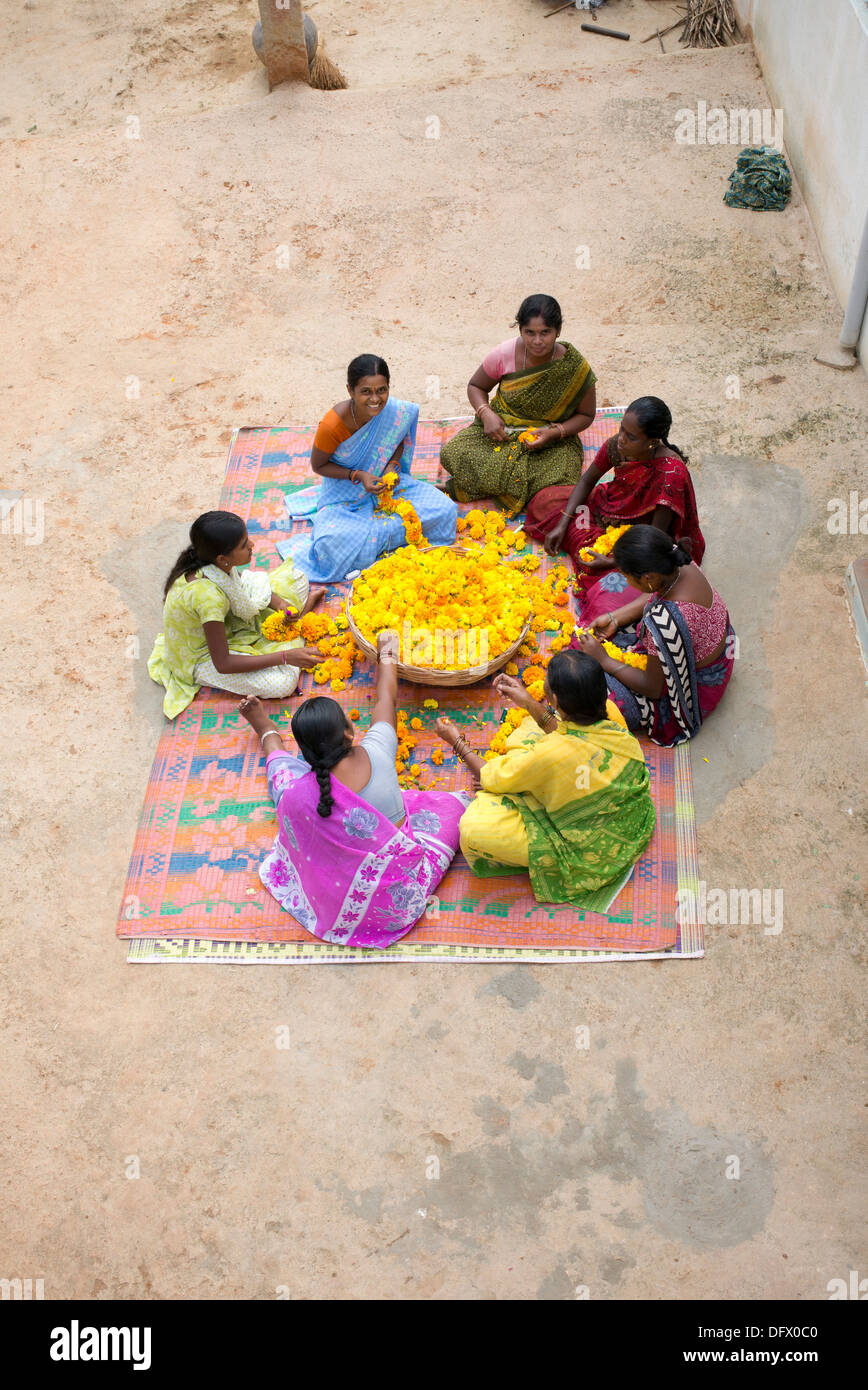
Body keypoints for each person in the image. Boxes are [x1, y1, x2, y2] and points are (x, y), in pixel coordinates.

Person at [239, 632, 469, 948]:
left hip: (332, 904)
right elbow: (386, 698)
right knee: (452, 806)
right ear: (349, 731)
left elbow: (277, 761)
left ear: (305, 756)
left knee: (281, 774)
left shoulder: (297, 792)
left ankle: (264, 726)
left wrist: (264, 727)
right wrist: (387, 650)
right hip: (399, 902)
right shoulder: (377, 751)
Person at [433, 652, 655, 911]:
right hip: (630, 821)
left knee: (473, 829)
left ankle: (526, 786)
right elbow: (570, 734)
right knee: (530, 729)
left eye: (547, 686)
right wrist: (527, 701)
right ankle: (529, 783)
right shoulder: (612, 718)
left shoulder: (550, 754)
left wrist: (455, 740)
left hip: (589, 851)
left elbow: (487, 776)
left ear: (556, 700)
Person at [525, 395, 705, 625]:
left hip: (640, 536)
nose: (621, 439)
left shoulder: (670, 475)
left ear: (652, 442)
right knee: (544, 502)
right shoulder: (616, 446)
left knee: (623, 587)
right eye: (621, 429)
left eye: (631, 437)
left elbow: (652, 541)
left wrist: (612, 562)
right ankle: (582, 539)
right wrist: (563, 522)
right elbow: (587, 481)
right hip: (607, 507)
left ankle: (608, 563)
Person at [284, 354, 457, 582]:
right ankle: (387, 537)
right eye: (366, 391)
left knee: (445, 509)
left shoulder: (395, 411)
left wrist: (391, 468)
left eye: (381, 390)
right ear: (350, 390)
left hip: (388, 485)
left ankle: (371, 542)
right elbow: (318, 465)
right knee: (330, 545)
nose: (375, 399)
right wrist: (358, 475)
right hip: (345, 492)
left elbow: (397, 442)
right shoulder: (333, 424)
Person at [148, 510, 323, 718]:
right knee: (282, 684)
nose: (252, 546)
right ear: (223, 559)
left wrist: (282, 605)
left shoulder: (212, 564)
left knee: (298, 578)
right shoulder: (208, 599)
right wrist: (285, 657)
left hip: (223, 625)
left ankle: (292, 631)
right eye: (244, 545)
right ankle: (297, 632)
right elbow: (223, 664)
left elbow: (243, 582)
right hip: (201, 658)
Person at [574, 524, 735, 745]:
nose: (625, 578)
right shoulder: (677, 559)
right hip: (717, 644)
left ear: (648, 577)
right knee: (611, 598)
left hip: (697, 683)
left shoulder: (663, 623)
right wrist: (616, 617)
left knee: (590, 690)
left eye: (628, 575)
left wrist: (604, 660)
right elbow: (660, 592)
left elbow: (653, 688)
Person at [438, 294, 597, 516]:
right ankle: (514, 490)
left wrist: (554, 432)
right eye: (529, 332)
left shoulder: (574, 366)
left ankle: (490, 486)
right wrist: (486, 414)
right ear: (520, 330)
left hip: (550, 443)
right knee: (453, 453)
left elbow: (587, 415)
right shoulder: (505, 353)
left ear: (558, 331)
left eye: (545, 333)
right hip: (500, 432)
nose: (537, 341)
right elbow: (476, 386)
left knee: (561, 481)